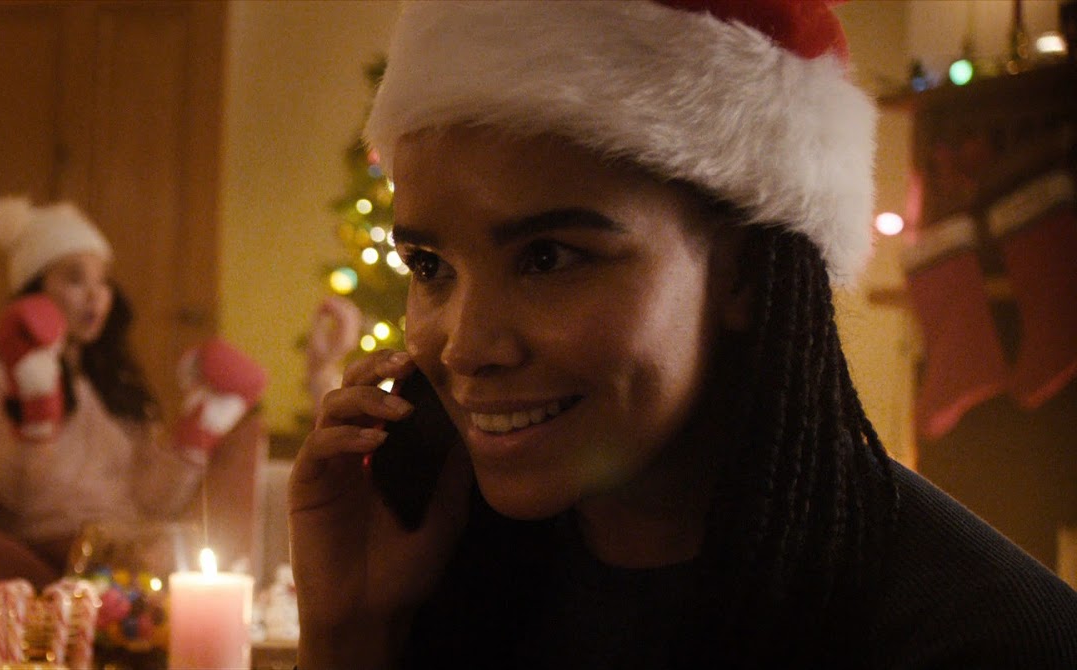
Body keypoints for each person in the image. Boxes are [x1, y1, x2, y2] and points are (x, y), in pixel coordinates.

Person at [290, 2, 1077, 668]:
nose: (464, 346)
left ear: (742, 273)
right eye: (429, 265)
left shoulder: (983, 638)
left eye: (547, 257)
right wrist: (349, 634)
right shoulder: (455, 573)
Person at [0, 196, 268, 604]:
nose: (95, 295)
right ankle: (88, 602)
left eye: (103, 281)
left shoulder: (114, 387)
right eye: (75, 278)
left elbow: (152, 502)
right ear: (36, 291)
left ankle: (91, 598)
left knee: (177, 537)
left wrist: (195, 433)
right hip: (34, 544)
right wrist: (38, 407)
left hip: (122, 545)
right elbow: (18, 495)